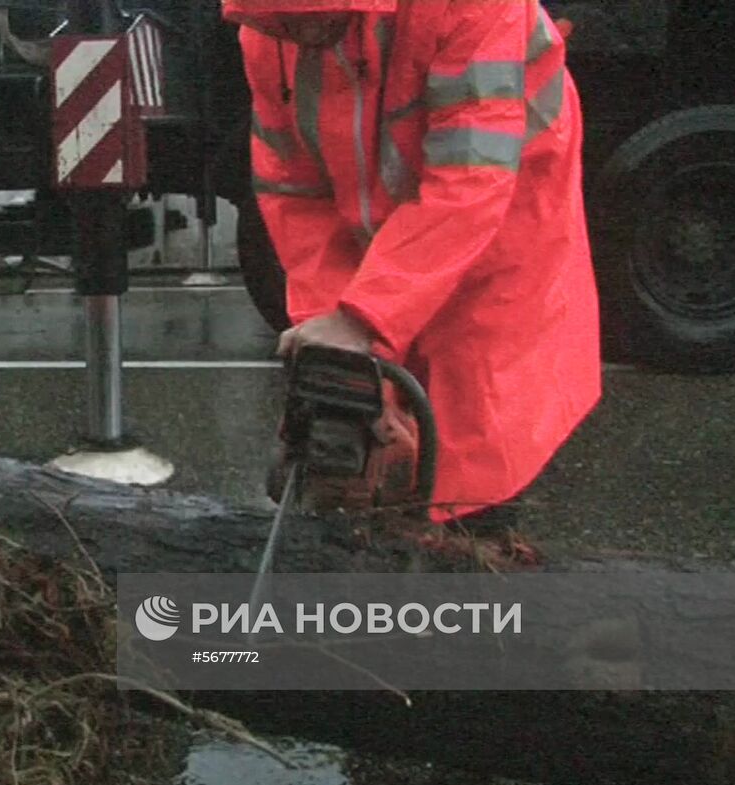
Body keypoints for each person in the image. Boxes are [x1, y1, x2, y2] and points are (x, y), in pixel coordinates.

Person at [222, 0, 602, 532]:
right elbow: (296, 191)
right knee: (363, 413)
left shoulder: (472, 8)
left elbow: (470, 177)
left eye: (316, 14)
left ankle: (473, 563)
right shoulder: (268, 36)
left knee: (475, 439)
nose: (305, 30)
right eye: (289, 19)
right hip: (384, 227)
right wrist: (336, 328)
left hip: (504, 224)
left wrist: (362, 319)